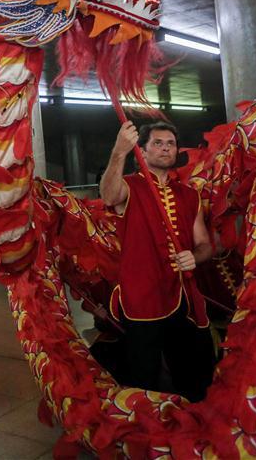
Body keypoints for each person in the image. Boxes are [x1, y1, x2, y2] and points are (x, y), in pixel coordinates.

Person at [99, 120, 215, 402]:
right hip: (142, 299)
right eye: (157, 143)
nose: (165, 148)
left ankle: (194, 424)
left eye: (170, 144)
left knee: (196, 373)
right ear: (143, 151)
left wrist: (194, 257)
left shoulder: (190, 195)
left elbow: (204, 245)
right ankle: (147, 436)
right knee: (143, 377)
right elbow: (108, 195)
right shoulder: (130, 187)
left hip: (184, 297)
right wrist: (119, 152)